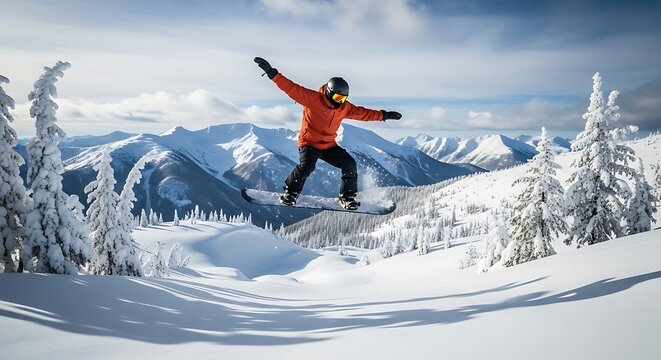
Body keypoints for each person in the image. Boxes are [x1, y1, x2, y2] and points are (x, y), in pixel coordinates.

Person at [254, 57, 402, 210]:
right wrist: (272, 73)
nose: (340, 101)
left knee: (349, 164)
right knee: (306, 166)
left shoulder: (343, 107)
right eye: (338, 97)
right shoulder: (312, 99)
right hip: (309, 142)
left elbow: (363, 113)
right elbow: (291, 88)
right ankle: (290, 193)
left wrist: (384, 115)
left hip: (329, 145)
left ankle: (347, 196)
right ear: (329, 92)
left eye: (344, 98)